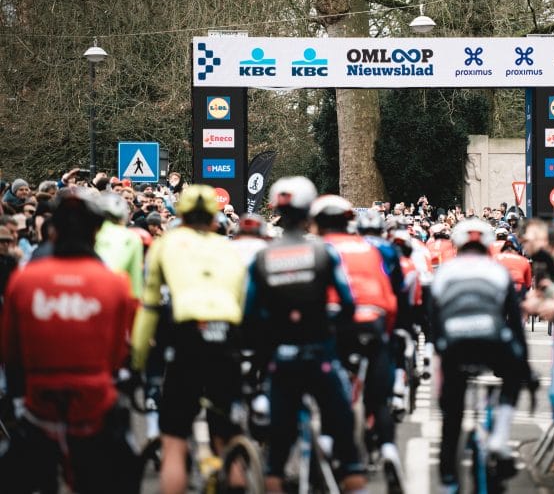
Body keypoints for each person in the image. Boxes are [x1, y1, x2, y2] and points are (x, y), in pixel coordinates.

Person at [0, 187, 140, 493]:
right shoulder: (115, 284)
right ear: (95, 233)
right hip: (93, 408)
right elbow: (118, 354)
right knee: (126, 474)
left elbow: (9, 351)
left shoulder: (23, 280)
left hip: (38, 406)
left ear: (52, 232)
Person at [243, 177, 366, 494]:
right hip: (320, 354)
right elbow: (348, 302)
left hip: (281, 359)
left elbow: (249, 312)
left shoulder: (262, 258)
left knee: (276, 456)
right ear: (309, 211)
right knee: (346, 445)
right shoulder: (324, 252)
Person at [130, 184, 248, 494]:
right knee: (228, 436)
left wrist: (137, 359)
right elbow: (242, 301)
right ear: (214, 218)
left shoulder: (166, 244)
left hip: (189, 333)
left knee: (174, 440)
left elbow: (150, 306)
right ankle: (236, 474)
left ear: (180, 215)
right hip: (228, 333)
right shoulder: (228, 247)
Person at [430, 218, 533, 492]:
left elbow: (433, 320)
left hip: (454, 344)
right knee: (513, 375)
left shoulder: (445, 271)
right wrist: (524, 366)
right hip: (492, 342)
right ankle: (499, 436)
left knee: (451, 417)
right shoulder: (497, 271)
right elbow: (514, 321)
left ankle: (448, 478)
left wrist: (438, 347)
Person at [314, 197, 406, 491]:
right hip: (376, 318)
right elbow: (391, 294)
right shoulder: (370, 248)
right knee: (378, 400)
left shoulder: (320, 248)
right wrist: (387, 332)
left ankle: (328, 447)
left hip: (338, 319)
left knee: (331, 392)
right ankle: (390, 450)